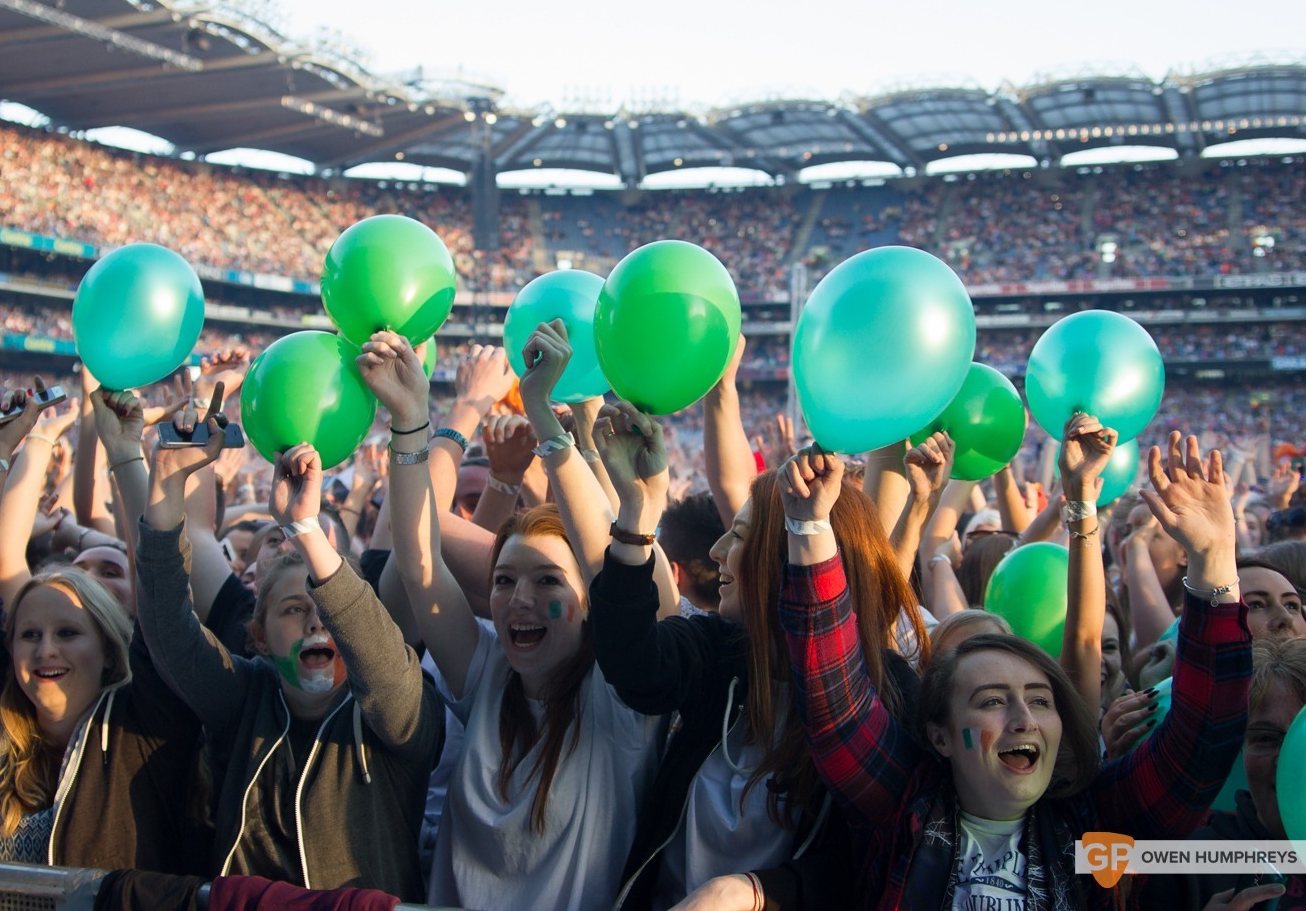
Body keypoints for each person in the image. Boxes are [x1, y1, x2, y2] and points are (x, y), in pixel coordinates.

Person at [778, 431, 1252, 909]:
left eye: (1041, 700)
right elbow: (835, 702)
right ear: (941, 735)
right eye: (992, 701)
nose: (1024, 719)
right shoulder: (903, 814)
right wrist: (810, 528)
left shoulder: (1095, 833)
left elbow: (1202, 739)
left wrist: (1213, 559)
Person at [360, 330, 664, 911]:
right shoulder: (488, 672)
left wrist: (551, 421)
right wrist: (410, 420)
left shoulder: (622, 698)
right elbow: (418, 558)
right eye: (503, 581)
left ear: (593, 599)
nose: (518, 599)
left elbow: (614, 562)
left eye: (547, 581)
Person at [588, 401, 930, 909]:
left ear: (781, 553)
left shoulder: (890, 697)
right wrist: (637, 512)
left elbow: (854, 867)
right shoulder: (716, 654)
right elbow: (632, 662)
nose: (717, 549)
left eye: (741, 535)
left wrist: (752, 894)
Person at [135, 397, 442, 896]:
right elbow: (168, 632)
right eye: (295, 609)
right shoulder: (243, 697)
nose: (318, 622)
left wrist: (305, 529)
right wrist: (167, 479)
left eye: (329, 607)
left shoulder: (396, 710)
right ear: (258, 636)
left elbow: (385, 670)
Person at [0, 383, 203, 872]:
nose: (45, 650)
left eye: (68, 634)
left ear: (109, 648)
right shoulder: (6, 713)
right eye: (30, 635)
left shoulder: (148, 724)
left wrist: (126, 453)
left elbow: (161, 597)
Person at [1134, 636, 1306, 909]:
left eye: (1303, 739)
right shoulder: (1181, 867)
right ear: (1240, 750)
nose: (1287, 759)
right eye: (1266, 739)